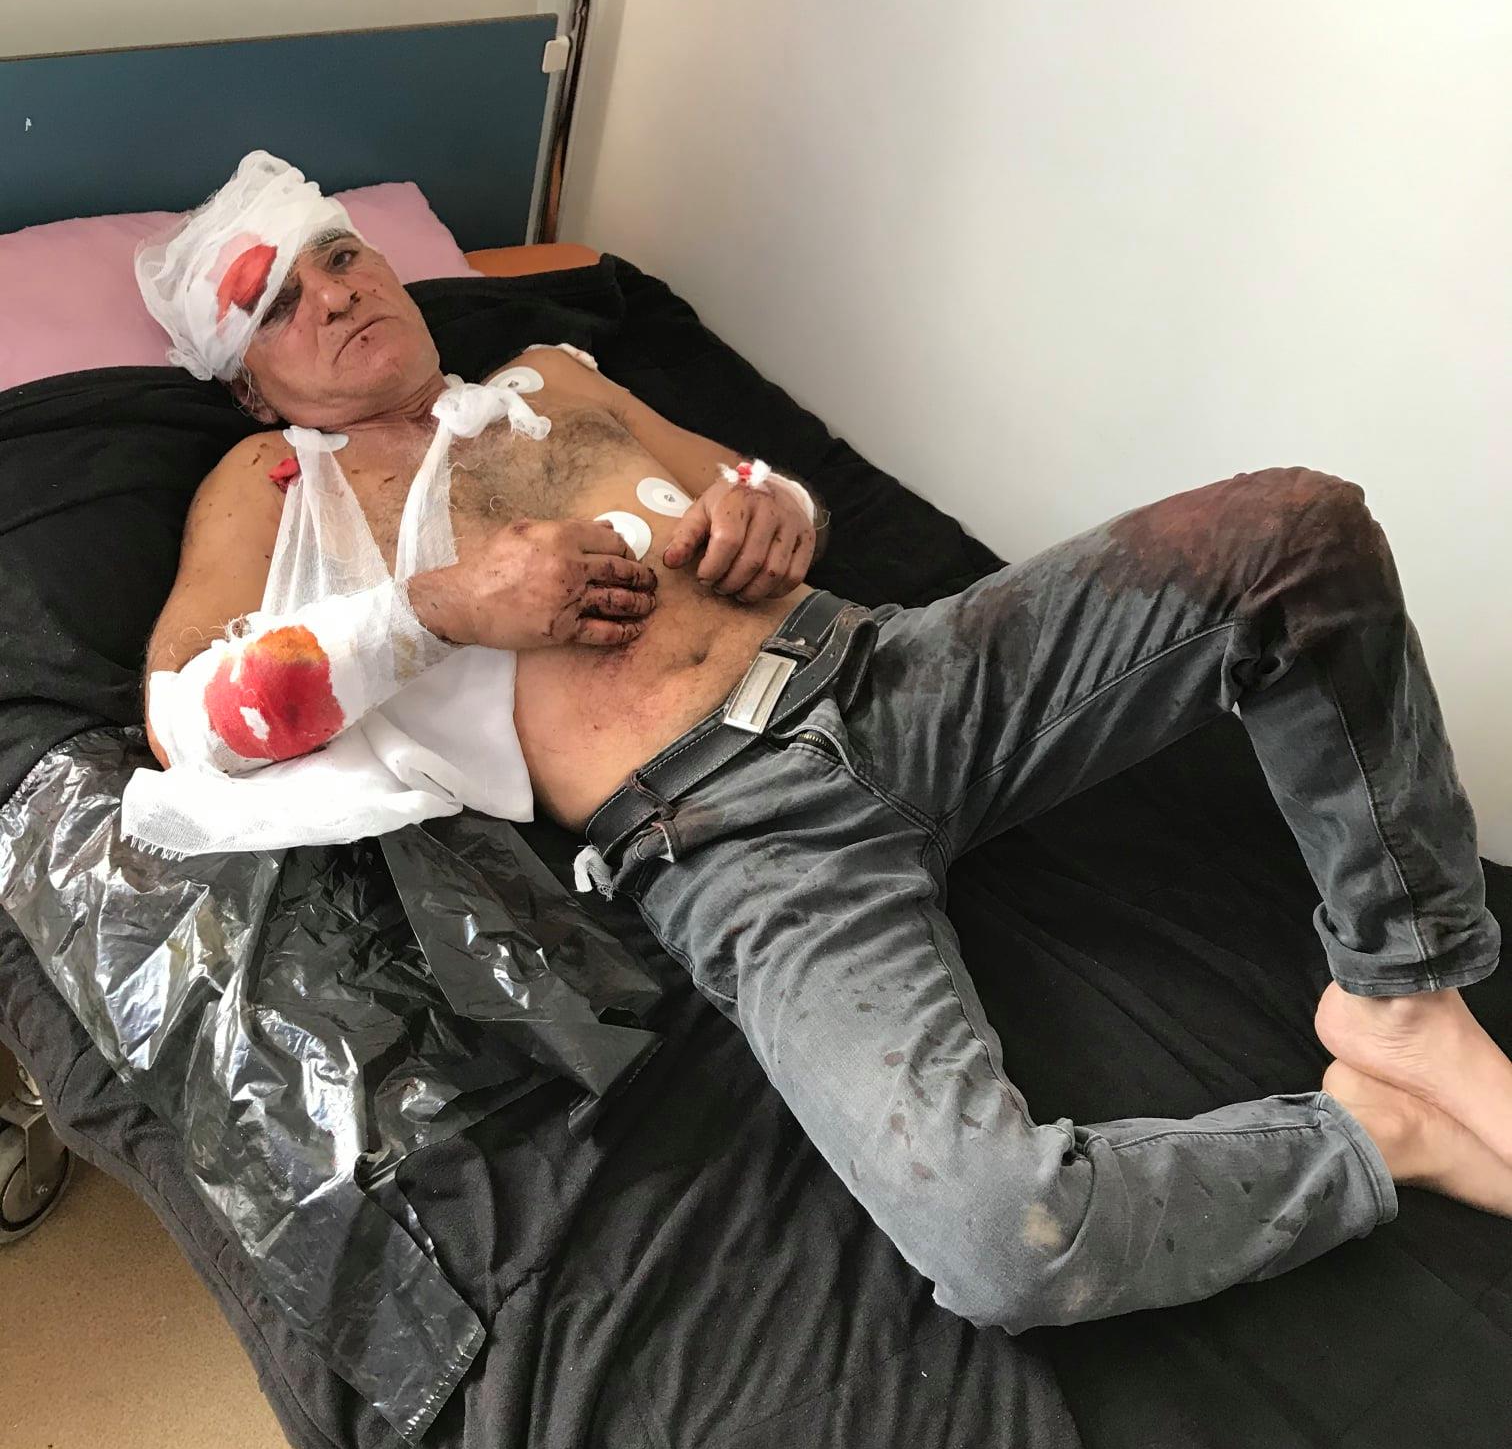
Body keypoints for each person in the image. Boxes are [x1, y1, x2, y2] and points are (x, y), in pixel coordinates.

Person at [140, 154, 1509, 1333]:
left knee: (1297, 533)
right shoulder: (272, 482)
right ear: (252, 387)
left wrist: (774, 511)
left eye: (340, 255)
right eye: (280, 304)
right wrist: (445, 606)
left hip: (893, 675)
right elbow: (189, 725)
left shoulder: (550, 374)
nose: (333, 294)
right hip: (729, 834)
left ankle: (1402, 989)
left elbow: (754, 480)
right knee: (1002, 1240)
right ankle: (1373, 1139)